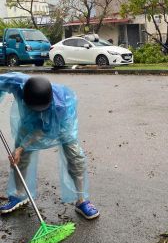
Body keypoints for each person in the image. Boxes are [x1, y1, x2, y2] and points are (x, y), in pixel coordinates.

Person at [0, 73, 99, 220]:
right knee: (18, 157)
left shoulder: (61, 105)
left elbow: (42, 131)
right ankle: (19, 195)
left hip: (61, 125)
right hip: (29, 122)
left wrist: (22, 147)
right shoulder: (17, 83)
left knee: (75, 157)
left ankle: (82, 200)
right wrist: (19, 149)